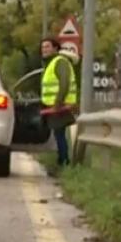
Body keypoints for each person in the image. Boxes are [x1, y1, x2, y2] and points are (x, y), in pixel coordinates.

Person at [40, 37, 79, 167]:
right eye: (43, 47)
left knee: (59, 133)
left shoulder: (60, 62)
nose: (44, 49)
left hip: (61, 106)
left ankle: (64, 161)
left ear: (55, 48)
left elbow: (64, 83)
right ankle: (62, 159)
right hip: (55, 106)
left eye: (47, 46)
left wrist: (58, 103)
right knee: (58, 133)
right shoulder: (52, 63)